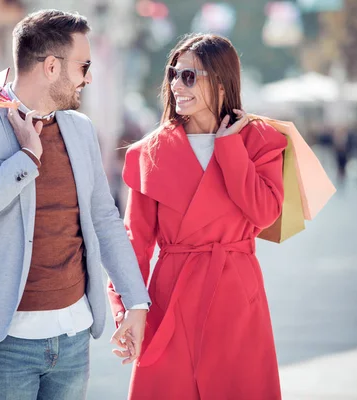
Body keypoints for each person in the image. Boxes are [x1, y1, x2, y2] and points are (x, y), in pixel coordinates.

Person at [0, 9, 150, 400]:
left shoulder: (80, 128)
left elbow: (105, 220)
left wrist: (136, 301)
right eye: (83, 66)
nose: (89, 77)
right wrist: (26, 159)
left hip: (72, 338)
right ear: (52, 66)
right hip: (4, 341)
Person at [108, 33, 287, 399]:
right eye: (174, 73)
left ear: (221, 82)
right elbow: (134, 243)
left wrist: (229, 147)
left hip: (236, 296)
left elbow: (265, 213)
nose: (177, 84)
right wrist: (129, 309)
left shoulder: (259, 141)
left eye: (190, 76)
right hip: (171, 299)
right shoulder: (150, 152)